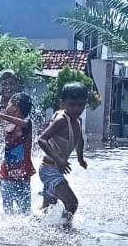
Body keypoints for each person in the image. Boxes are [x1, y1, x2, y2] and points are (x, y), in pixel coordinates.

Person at [37, 82, 89, 222]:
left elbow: (79, 140)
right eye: (72, 105)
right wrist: (58, 159)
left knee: (46, 211)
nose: (77, 108)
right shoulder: (61, 120)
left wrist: (80, 158)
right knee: (72, 203)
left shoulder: (77, 120)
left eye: (81, 105)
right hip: (49, 169)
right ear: (63, 103)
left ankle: (31, 232)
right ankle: (65, 232)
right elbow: (42, 139)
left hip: (55, 169)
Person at [0, 92, 36, 215]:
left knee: (25, 212)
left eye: (9, 104)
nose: (6, 106)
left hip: (22, 172)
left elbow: (24, 124)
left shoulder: (27, 123)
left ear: (15, 106)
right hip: (6, 172)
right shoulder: (9, 125)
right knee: (8, 210)